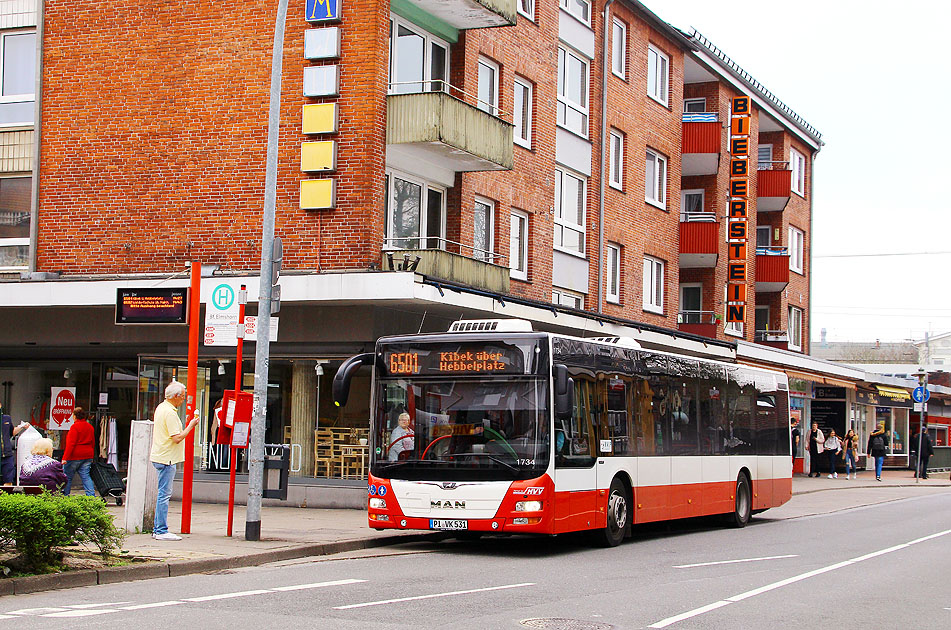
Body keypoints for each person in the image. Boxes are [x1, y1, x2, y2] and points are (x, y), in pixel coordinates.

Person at [150, 381, 199, 541]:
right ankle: (160, 530)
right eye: (183, 396)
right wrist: (190, 426)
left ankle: (158, 528)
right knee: (164, 495)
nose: (184, 399)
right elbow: (176, 437)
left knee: (162, 494)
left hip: (161, 455)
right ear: (176, 396)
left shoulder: (161, 408)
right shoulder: (170, 412)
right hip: (167, 458)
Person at [62, 407, 96, 496]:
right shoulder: (90, 427)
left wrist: (65, 458)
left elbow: (70, 444)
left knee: (68, 477)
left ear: (75, 416)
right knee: (86, 477)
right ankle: (91, 497)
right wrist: (91, 456)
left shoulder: (74, 427)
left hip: (75, 455)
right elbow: (93, 442)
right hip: (87, 455)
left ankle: (65, 496)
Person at [0, 403, 28, 485]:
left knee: (8, 479)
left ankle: (7, 497)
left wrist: (21, 426)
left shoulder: (6, 418)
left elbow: (11, 432)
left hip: (7, 454)